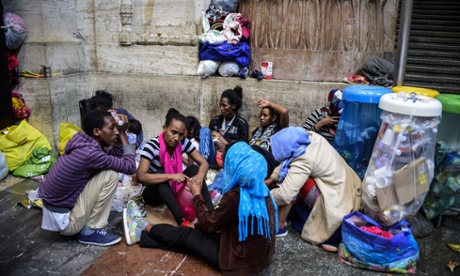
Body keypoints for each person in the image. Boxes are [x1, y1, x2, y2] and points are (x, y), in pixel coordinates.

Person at [123, 142, 277, 275]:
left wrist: (197, 195)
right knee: (193, 242)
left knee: (187, 235)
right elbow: (223, 222)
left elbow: (211, 225)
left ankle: (142, 227)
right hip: (259, 259)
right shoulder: (263, 190)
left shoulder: (237, 196)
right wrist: (198, 224)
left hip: (236, 263)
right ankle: (142, 236)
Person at [38, 109, 137, 246]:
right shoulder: (90, 154)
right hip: (65, 223)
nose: (115, 131)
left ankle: (86, 226)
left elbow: (115, 155)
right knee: (110, 175)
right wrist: (122, 135)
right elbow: (130, 167)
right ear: (96, 131)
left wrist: (118, 138)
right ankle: (90, 231)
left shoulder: (84, 142)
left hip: (55, 214)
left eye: (116, 127)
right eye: (111, 128)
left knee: (105, 170)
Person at [265, 127, 362, 245]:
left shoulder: (303, 159)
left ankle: (279, 226)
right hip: (348, 187)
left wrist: (262, 197)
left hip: (337, 201)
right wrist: (272, 178)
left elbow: (285, 195)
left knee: (291, 184)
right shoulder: (308, 137)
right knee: (292, 178)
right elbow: (287, 160)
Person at [137, 108, 214, 226]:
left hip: (173, 190)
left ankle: (211, 212)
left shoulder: (183, 143)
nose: (176, 138)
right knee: (160, 174)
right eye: (173, 132)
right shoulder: (152, 146)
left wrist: (199, 176)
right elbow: (140, 176)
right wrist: (170, 176)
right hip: (154, 194)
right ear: (164, 128)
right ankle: (181, 220)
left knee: (194, 169)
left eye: (181, 134)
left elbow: (204, 163)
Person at [249, 99, 289, 179]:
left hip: (270, 163)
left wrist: (269, 104)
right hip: (253, 161)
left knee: (254, 148)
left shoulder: (279, 129)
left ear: (273, 117)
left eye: (265, 115)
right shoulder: (257, 131)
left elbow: (284, 112)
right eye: (261, 115)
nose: (261, 118)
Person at [209, 85, 249, 152]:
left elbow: (243, 146)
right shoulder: (215, 121)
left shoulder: (241, 124)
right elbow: (208, 138)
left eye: (224, 105)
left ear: (233, 106)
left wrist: (222, 139)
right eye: (220, 105)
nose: (221, 108)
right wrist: (216, 141)